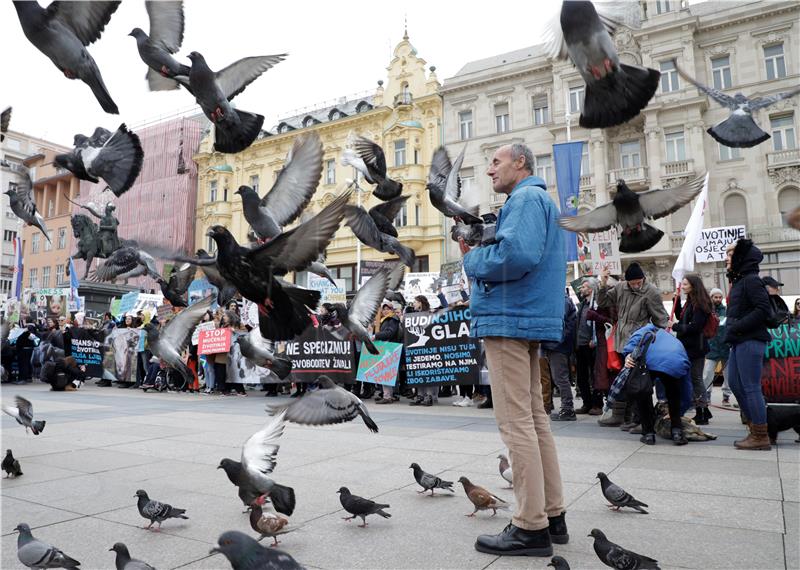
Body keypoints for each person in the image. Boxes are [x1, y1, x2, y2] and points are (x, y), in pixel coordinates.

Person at [460, 143, 567, 557]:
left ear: (519, 163)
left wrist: (472, 258)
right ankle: (552, 514)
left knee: (515, 424)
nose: (490, 171)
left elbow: (515, 255)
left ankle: (529, 525)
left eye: (495, 162)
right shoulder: (540, 200)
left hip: (509, 317)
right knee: (535, 420)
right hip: (528, 315)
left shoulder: (525, 198)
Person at [597, 263, 669, 427]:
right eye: (633, 282)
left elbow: (661, 319)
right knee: (622, 379)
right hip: (621, 341)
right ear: (626, 281)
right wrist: (602, 283)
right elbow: (602, 302)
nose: (637, 285)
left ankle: (639, 419)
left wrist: (656, 339)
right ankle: (619, 415)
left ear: (643, 278)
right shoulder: (621, 287)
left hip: (639, 343)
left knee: (637, 382)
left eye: (639, 281)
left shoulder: (651, 292)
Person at [725, 239, 772, 451]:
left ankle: (760, 434)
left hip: (750, 339)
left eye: (731, 254)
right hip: (739, 340)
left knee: (751, 387)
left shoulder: (751, 280)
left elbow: (763, 310)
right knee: (735, 383)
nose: (727, 258)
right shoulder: (741, 280)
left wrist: (737, 326)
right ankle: (754, 426)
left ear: (742, 257)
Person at [622, 324, 691, 445]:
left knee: (643, 392)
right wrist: (682, 410)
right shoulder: (674, 341)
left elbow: (633, 342)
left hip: (650, 362)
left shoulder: (645, 329)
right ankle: (677, 432)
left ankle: (648, 434)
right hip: (675, 362)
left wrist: (627, 354)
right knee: (674, 393)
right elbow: (686, 388)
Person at [672, 273, 712, 425]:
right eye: (682, 284)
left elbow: (695, 327)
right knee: (691, 378)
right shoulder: (691, 301)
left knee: (696, 378)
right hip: (688, 346)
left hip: (696, 347)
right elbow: (680, 316)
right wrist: (676, 301)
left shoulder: (700, 304)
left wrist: (674, 326)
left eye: (685, 284)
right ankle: (701, 409)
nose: (682, 287)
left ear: (693, 286)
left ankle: (702, 410)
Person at [541, 290, 577, 421]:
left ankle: (568, 409)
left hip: (558, 345)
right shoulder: (562, 300)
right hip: (556, 344)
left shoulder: (562, 302)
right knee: (559, 378)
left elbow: (556, 321)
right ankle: (567, 408)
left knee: (560, 378)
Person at [574, 278, 602, 415]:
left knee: (595, 375)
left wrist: (594, 338)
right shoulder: (583, 305)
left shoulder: (596, 304)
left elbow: (597, 323)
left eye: (584, 287)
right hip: (581, 345)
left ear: (591, 289)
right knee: (581, 376)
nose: (581, 289)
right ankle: (587, 402)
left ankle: (597, 404)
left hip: (591, 345)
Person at [703, 288, 734, 408]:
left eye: (719, 297)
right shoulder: (707, 311)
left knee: (728, 375)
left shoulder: (726, 311)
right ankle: (707, 395)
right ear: (711, 298)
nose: (717, 299)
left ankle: (726, 396)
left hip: (725, 347)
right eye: (715, 297)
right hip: (712, 348)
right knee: (707, 373)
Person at [374, 301, 403, 405]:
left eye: (388, 309)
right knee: (388, 372)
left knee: (385, 372)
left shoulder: (393, 319)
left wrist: (376, 336)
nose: (385, 311)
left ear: (392, 310)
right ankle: (390, 395)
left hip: (389, 347)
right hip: (386, 347)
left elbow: (390, 333)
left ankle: (388, 396)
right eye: (384, 309)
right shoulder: (384, 320)